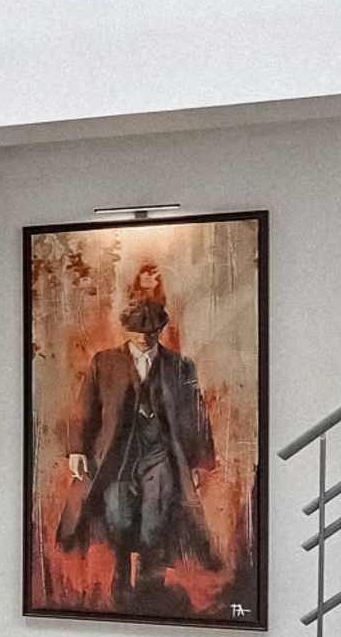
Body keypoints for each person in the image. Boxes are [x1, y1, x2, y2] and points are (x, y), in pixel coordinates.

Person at [56, 262, 221, 611]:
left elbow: (195, 414)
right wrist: (76, 451)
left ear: (160, 331)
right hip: (116, 453)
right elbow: (85, 408)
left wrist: (196, 461)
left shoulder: (180, 366)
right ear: (127, 332)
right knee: (117, 513)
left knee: (156, 514)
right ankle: (119, 575)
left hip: (160, 452)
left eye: (151, 332)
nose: (145, 338)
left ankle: (150, 582)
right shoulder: (105, 362)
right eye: (138, 333)